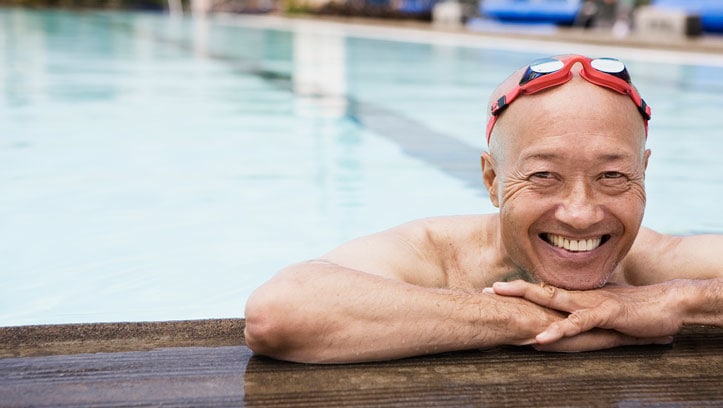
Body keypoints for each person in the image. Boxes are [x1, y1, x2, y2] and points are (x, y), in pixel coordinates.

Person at [244, 54, 723, 363]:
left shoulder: (653, 267)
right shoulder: (435, 254)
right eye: (543, 176)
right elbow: (277, 314)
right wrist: (526, 319)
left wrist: (677, 300)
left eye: (612, 177)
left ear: (644, 174)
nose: (581, 213)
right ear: (492, 181)